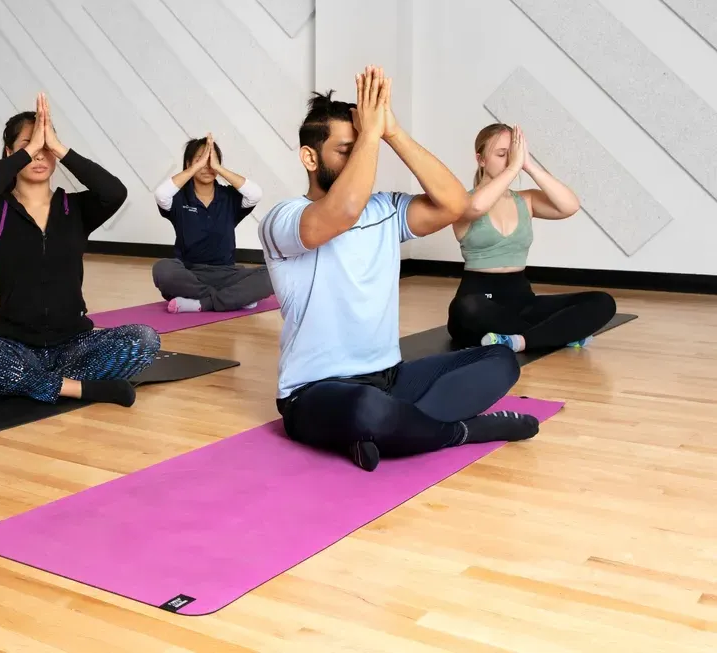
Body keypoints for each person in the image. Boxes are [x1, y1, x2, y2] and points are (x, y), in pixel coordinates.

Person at [258, 66, 539, 472]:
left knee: (499, 361)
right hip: (314, 391)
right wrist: (370, 135)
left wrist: (393, 133)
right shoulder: (284, 217)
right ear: (309, 156)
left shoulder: (386, 209)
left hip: (390, 378)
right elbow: (341, 213)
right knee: (366, 410)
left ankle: (385, 435)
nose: (360, 155)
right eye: (346, 149)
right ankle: (460, 431)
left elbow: (455, 204)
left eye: (363, 147)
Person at [0, 93, 160, 407]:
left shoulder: (74, 208)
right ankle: (80, 389)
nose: (39, 156)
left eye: (46, 148)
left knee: (145, 339)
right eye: (28, 147)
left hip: (74, 344)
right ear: (9, 153)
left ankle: (33, 382)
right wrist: (30, 149)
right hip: (14, 345)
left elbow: (114, 191)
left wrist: (60, 147)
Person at [446, 123, 616, 351]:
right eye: (501, 154)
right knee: (468, 308)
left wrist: (528, 166)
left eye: (513, 154)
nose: (509, 160)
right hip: (479, 301)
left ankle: (521, 340)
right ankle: (558, 334)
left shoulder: (526, 200)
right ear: (481, 159)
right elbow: (476, 207)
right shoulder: (462, 201)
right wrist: (512, 169)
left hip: (522, 301)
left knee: (603, 302)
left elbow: (570, 206)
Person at [151, 133, 274, 313]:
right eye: (200, 160)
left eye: (211, 161)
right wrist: (196, 168)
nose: (206, 166)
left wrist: (218, 168)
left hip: (227, 273)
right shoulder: (179, 198)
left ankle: (202, 303)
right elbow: (161, 194)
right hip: (189, 273)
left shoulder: (229, 197)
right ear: (188, 165)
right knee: (162, 270)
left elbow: (255, 194)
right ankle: (234, 299)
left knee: (273, 275)